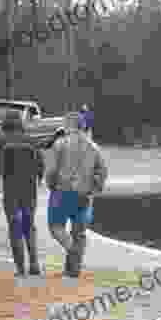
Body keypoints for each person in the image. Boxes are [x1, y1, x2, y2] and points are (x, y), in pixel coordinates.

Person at [45, 112, 107, 278]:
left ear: (69, 125)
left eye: (65, 123)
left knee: (55, 227)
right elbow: (102, 172)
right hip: (84, 194)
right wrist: (94, 189)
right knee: (79, 232)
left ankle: (73, 251)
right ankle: (73, 271)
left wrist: (51, 185)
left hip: (62, 191)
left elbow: (51, 170)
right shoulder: (94, 147)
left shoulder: (60, 144)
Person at [0, 111, 44, 277]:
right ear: (21, 123)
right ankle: (34, 263)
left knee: (15, 226)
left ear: (5, 123)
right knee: (29, 224)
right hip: (29, 188)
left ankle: (21, 269)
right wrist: (39, 180)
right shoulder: (31, 140)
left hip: (11, 188)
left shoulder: (1, 140)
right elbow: (40, 164)